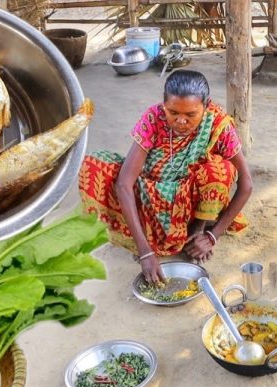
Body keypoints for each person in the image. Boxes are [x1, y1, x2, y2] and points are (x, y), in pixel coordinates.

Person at [79, 70, 253, 284]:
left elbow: (246, 184)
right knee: (93, 164)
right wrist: (145, 252)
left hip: (189, 203)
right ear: (163, 105)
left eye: (191, 115)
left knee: (221, 169)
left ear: (206, 106)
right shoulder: (153, 118)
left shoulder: (218, 123)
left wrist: (212, 236)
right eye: (173, 112)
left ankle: (196, 231)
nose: (181, 121)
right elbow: (125, 184)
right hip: (150, 198)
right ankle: (148, 238)